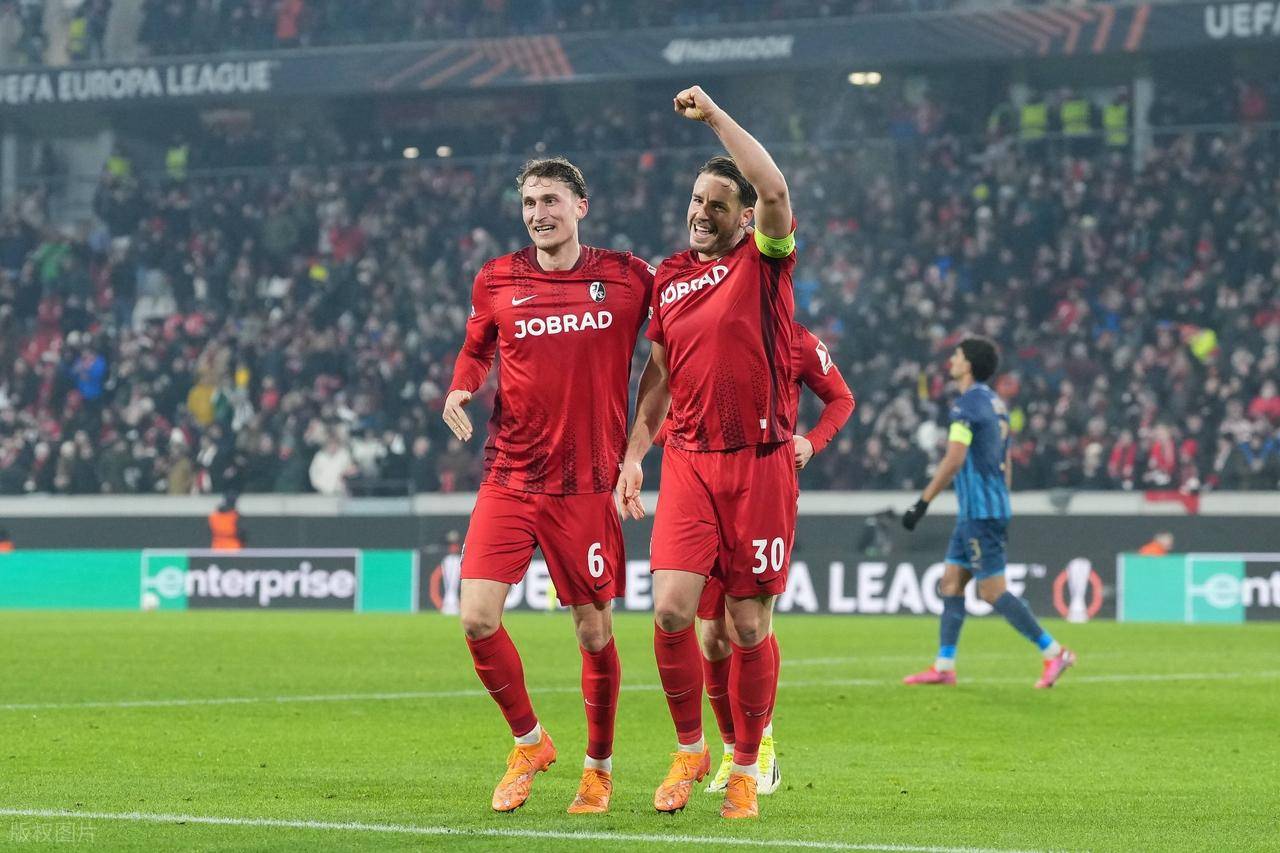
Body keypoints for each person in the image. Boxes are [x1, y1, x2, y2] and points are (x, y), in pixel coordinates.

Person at [442, 157, 654, 815]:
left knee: (593, 633)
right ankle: (530, 742)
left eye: (551, 200)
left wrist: (639, 450)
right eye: (530, 202)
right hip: (510, 475)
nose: (539, 213)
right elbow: (477, 347)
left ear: (581, 206)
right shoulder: (496, 278)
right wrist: (460, 386)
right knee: (476, 617)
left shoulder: (628, 277)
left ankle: (599, 769)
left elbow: (674, 348)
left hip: (586, 484)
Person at [617, 85, 797, 820]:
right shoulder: (667, 278)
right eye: (696, 200)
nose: (701, 213)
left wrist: (716, 116)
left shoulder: (765, 262)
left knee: (748, 627)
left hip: (759, 462)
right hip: (689, 460)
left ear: (744, 217)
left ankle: (748, 766)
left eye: (718, 205)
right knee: (671, 612)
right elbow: (657, 381)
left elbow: (775, 187)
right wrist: (634, 456)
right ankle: (690, 749)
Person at [679, 321, 854, 796]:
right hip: (704, 487)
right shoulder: (704, 332)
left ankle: (761, 749)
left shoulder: (796, 340)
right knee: (711, 634)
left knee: (751, 625)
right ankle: (731, 749)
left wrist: (812, 441)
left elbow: (841, 398)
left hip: (764, 492)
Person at [900, 337, 1075, 689]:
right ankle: (944, 666)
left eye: (956, 356)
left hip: (981, 513)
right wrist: (998, 499)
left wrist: (922, 502)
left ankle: (1054, 651)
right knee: (951, 583)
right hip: (980, 510)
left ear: (968, 364)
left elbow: (954, 459)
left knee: (992, 591)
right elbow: (1005, 458)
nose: (951, 361)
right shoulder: (995, 405)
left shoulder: (965, 406)